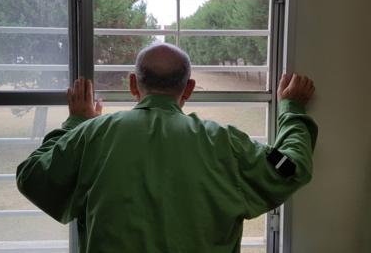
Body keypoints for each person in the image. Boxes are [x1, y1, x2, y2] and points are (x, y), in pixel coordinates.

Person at [16, 43, 317, 253]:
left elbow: (32, 176)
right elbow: (290, 169)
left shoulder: (92, 135)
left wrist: (76, 122)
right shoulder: (225, 143)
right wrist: (291, 108)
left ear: (134, 84)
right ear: (188, 88)